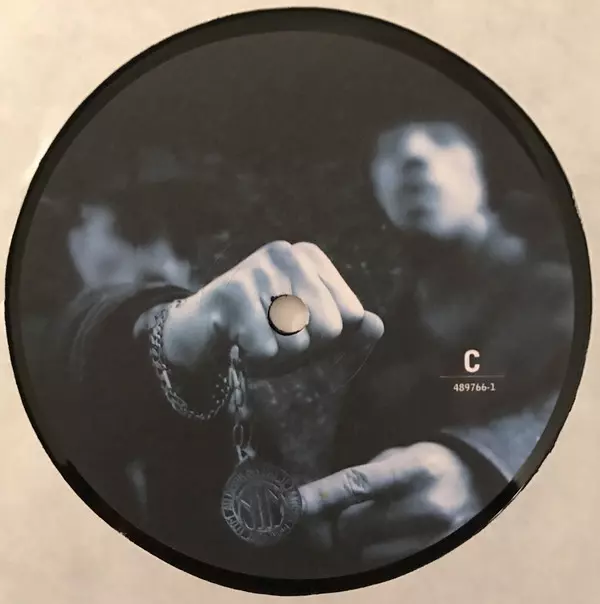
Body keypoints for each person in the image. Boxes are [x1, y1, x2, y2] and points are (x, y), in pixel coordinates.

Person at [36, 121, 573, 580]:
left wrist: (487, 469)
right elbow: (82, 343)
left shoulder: (558, 294)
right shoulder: (391, 327)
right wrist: (166, 331)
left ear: (483, 175)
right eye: (390, 151)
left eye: (442, 139)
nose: (414, 155)